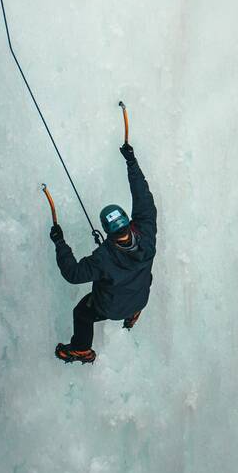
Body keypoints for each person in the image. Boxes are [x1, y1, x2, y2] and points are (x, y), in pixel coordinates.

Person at [49, 142, 157, 363]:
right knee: (140, 276)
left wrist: (60, 243)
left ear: (107, 231)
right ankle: (133, 313)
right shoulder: (146, 231)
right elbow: (143, 197)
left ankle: (81, 350)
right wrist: (131, 162)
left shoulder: (103, 259)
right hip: (140, 298)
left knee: (81, 313)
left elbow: (73, 274)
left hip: (113, 308)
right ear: (128, 221)